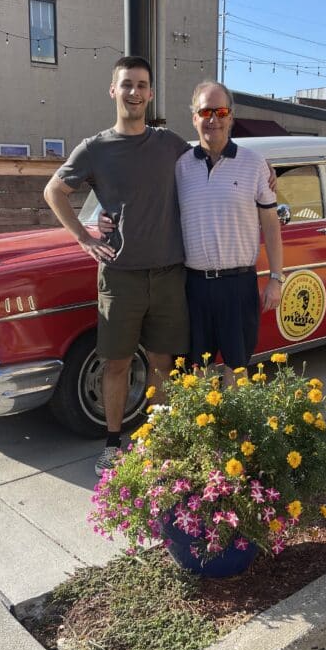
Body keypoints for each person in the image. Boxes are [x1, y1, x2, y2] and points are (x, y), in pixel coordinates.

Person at [43, 56, 190, 475]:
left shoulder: (169, 144)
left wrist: (263, 172)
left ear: (151, 93)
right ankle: (112, 443)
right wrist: (83, 234)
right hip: (120, 276)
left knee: (164, 362)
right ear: (113, 90)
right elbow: (54, 191)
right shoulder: (95, 148)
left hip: (168, 274)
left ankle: (161, 441)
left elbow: (210, 162)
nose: (134, 92)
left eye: (142, 85)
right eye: (126, 84)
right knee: (116, 363)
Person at [176, 80, 284, 383]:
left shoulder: (255, 164)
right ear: (194, 117)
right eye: (206, 111)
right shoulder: (180, 167)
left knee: (236, 368)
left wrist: (276, 278)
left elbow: (271, 225)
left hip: (238, 284)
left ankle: (233, 431)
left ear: (231, 116)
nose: (214, 119)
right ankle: (205, 429)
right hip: (194, 285)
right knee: (198, 369)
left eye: (221, 111)